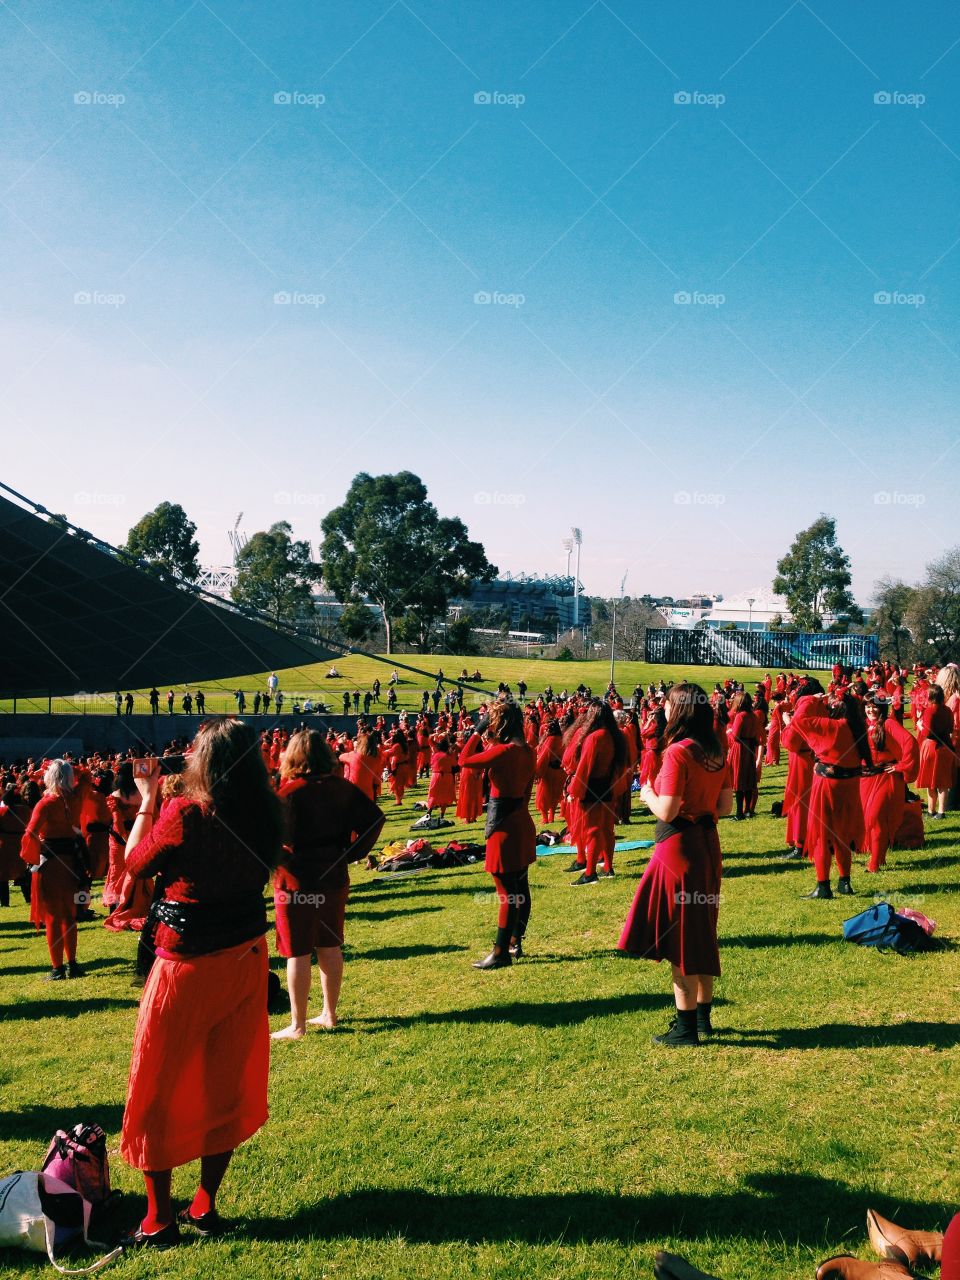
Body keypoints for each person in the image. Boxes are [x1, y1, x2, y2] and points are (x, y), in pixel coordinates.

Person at [117, 718, 282, 1247]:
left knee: (157, 1088)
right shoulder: (268, 810)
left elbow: (132, 864)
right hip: (247, 959)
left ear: (203, 762)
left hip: (187, 967)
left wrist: (147, 800)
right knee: (225, 1081)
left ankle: (158, 1218)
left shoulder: (186, 814)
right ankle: (205, 1204)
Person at [618, 683, 733, 1047]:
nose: (663, 708)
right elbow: (726, 807)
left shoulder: (677, 753)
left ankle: (685, 1029)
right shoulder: (716, 750)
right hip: (708, 844)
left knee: (681, 939)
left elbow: (667, 809)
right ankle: (702, 1018)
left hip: (678, 847)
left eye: (667, 704)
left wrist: (647, 793)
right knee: (701, 934)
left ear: (679, 710)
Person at [272, 730, 384, 1040]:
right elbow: (375, 819)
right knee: (329, 944)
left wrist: (280, 858)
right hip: (333, 876)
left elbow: (268, 836)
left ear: (293, 756)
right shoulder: (341, 787)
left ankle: (298, 1024)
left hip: (297, 880)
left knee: (297, 950)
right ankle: (329, 1013)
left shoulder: (288, 792)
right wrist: (350, 853)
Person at [459, 700, 536, 967]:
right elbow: (524, 790)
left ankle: (500, 952)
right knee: (520, 888)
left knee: (507, 892)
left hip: (503, 826)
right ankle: (515, 943)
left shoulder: (504, 752)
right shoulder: (529, 751)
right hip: (521, 821)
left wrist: (477, 730)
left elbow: (464, 760)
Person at [790, 691, 871, 899]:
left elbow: (798, 719)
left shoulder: (831, 727)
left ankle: (823, 885)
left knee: (820, 836)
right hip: (850, 786)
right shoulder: (856, 727)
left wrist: (811, 699)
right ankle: (845, 882)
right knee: (843, 836)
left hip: (827, 785)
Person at [20, 759, 88, 979]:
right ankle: (73, 963)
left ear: (49, 777)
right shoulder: (76, 797)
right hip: (73, 862)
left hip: (50, 863)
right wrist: (71, 768)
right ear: (69, 777)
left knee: (53, 917)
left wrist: (29, 857)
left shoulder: (46, 803)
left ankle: (57, 968)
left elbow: (30, 832)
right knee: (70, 915)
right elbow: (86, 776)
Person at [567, 699, 627, 884]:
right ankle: (608, 867)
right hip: (608, 786)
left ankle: (590, 873)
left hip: (592, 788)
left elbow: (584, 766)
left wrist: (573, 790)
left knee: (592, 830)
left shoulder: (594, 737)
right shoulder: (616, 736)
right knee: (607, 829)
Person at [860, 696, 919, 872]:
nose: (870, 710)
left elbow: (910, 742)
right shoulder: (863, 724)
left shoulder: (888, 724)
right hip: (865, 779)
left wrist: (901, 766)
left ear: (882, 709)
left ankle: (874, 864)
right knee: (869, 820)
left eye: (874, 707)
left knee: (876, 817)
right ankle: (880, 857)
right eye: (867, 707)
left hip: (885, 779)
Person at [916, 684, 957, 819]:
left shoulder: (930, 710)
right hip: (946, 747)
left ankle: (930, 810)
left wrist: (920, 726)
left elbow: (928, 733)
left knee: (930, 781)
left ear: (930, 696)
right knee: (943, 782)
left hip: (932, 747)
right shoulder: (948, 710)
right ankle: (941, 812)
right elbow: (951, 729)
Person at [104, 761, 140, 910]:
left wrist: (124, 838)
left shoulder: (114, 796)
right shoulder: (137, 794)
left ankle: (115, 905)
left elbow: (117, 821)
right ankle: (133, 901)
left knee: (116, 870)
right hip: (135, 833)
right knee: (133, 868)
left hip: (118, 838)